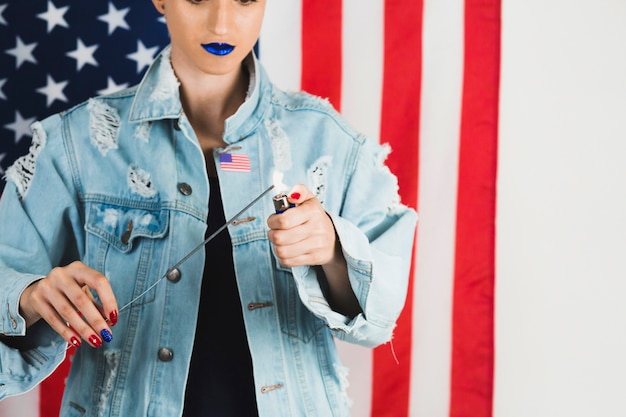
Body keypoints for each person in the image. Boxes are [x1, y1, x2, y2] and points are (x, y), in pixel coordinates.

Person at [0, 0, 417, 416]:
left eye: (245, 0)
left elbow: (378, 317)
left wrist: (331, 249)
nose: (222, 22)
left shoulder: (329, 142)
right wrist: (33, 296)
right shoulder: (77, 145)